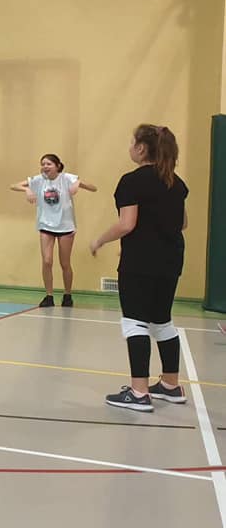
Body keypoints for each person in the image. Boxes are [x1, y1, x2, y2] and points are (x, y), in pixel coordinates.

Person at [90, 124, 188, 412]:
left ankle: (139, 392)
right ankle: (170, 385)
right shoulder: (176, 182)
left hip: (141, 261)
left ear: (141, 149)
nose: (130, 147)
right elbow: (183, 223)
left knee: (135, 323)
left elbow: (127, 224)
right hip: (171, 259)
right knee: (162, 322)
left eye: (132, 142)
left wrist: (99, 240)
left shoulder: (132, 181)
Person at [11, 154, 97, 307]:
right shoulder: (39, 180)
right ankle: (49, 296)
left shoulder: (67, 178)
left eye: (49, 164)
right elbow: (13, 185)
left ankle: (67, 295)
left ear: (57, 166)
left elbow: (94, 188)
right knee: (47, 261)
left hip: (65, 226)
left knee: (65, 263)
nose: (45, 166)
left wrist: (79, 182)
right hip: (46, 226)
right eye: (43, 164)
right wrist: (27, 190)